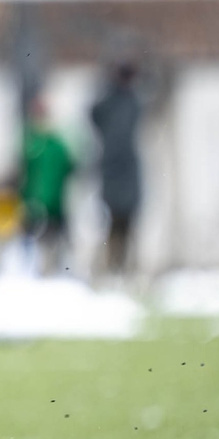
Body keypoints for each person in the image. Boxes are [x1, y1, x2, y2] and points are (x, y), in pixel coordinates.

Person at [89, 62, 143, 280]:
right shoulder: (116, 104)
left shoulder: (130, 103)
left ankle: (122, 268)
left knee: (124, 224)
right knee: (114, 225)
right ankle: (113, 267)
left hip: (122, 173)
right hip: (116, 172)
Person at [17, 91, 76, 275]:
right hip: (37, 203)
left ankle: (50, 272)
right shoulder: (33, 144)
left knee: (50, 243)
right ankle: (41, 271)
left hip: (51, 204)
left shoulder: (47, 145)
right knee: (37, 245)